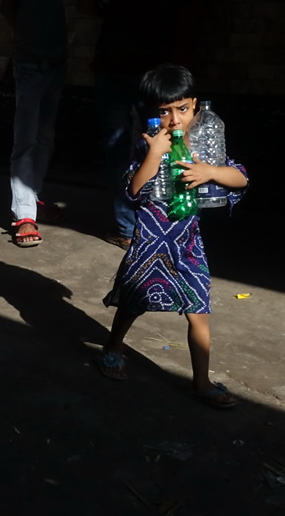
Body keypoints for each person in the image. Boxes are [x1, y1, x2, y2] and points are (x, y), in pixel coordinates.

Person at [96, 64, 249, 409]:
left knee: (199, 309)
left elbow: (240, 178)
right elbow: (133, 191)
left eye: (182, 109)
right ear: (153, 114)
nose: (175, 120)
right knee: (132, 301)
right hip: (151, 238)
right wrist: (153, 154)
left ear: (195, 104)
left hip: (187, 243)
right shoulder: (148, 143)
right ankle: (113, 345)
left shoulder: (207, 142)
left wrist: (209, 171)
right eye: (165, 111)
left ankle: (201, 381)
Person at [78, 0, 194, 250]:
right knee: (168, 142)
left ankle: (128, 229)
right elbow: (192, 9)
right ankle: (166, 219)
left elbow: (86, 1)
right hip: (159, 70)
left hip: (118, 62)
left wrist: (114, 13)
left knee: (118, 149)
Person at [1, 0, 70, 247]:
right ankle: (24, 215)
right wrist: (22, 49)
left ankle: (34, 199)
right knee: (26, 141)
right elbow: (8, 5)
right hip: (31, 63)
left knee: (45, 137)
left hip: (56, 61)